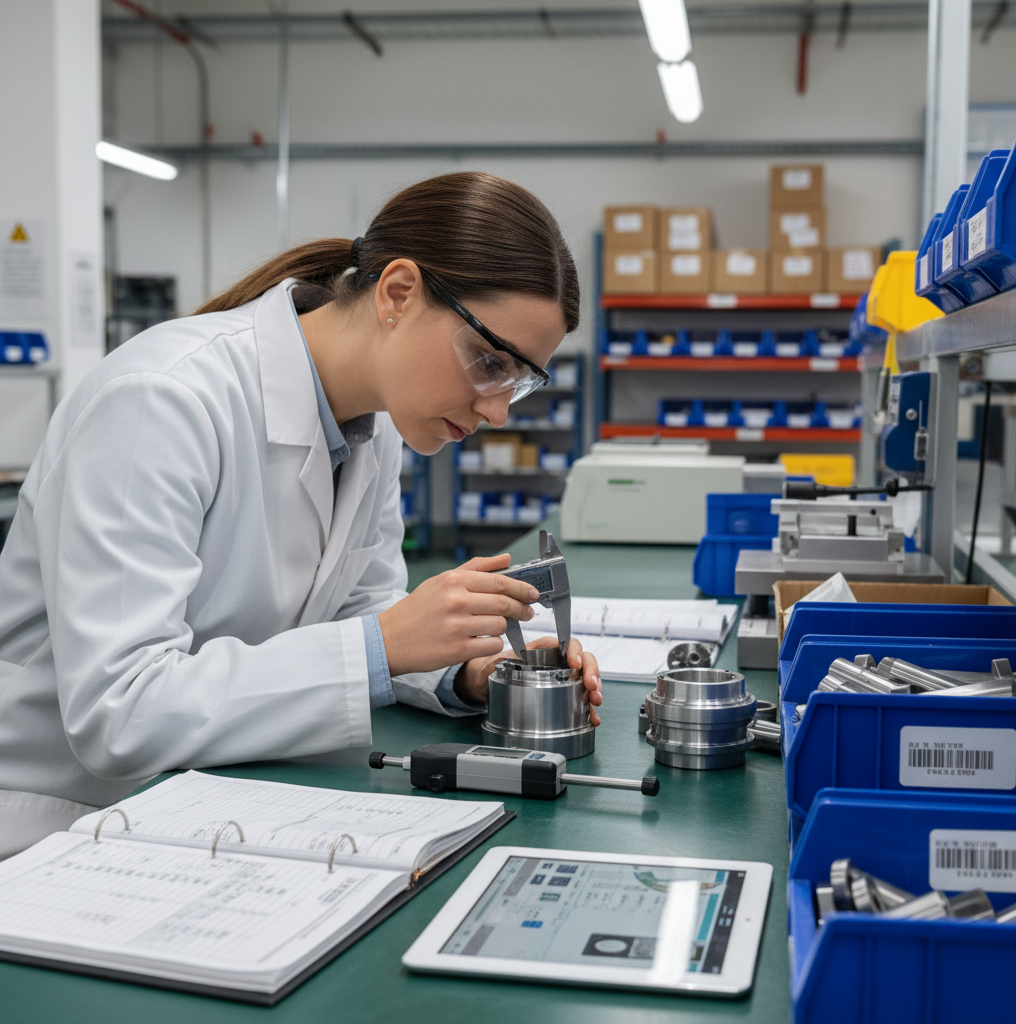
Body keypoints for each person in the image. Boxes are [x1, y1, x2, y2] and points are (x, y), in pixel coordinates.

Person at [0, 171, 601, 858]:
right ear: (398, 293)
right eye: (489, 361)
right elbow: (121, 711)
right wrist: (381, 643)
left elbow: (360, 612)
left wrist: (467, 670)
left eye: (519, 382)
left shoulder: (371, 431)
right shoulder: (160, 399)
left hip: (209, 805)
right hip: (57, 825)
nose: (497, 410)